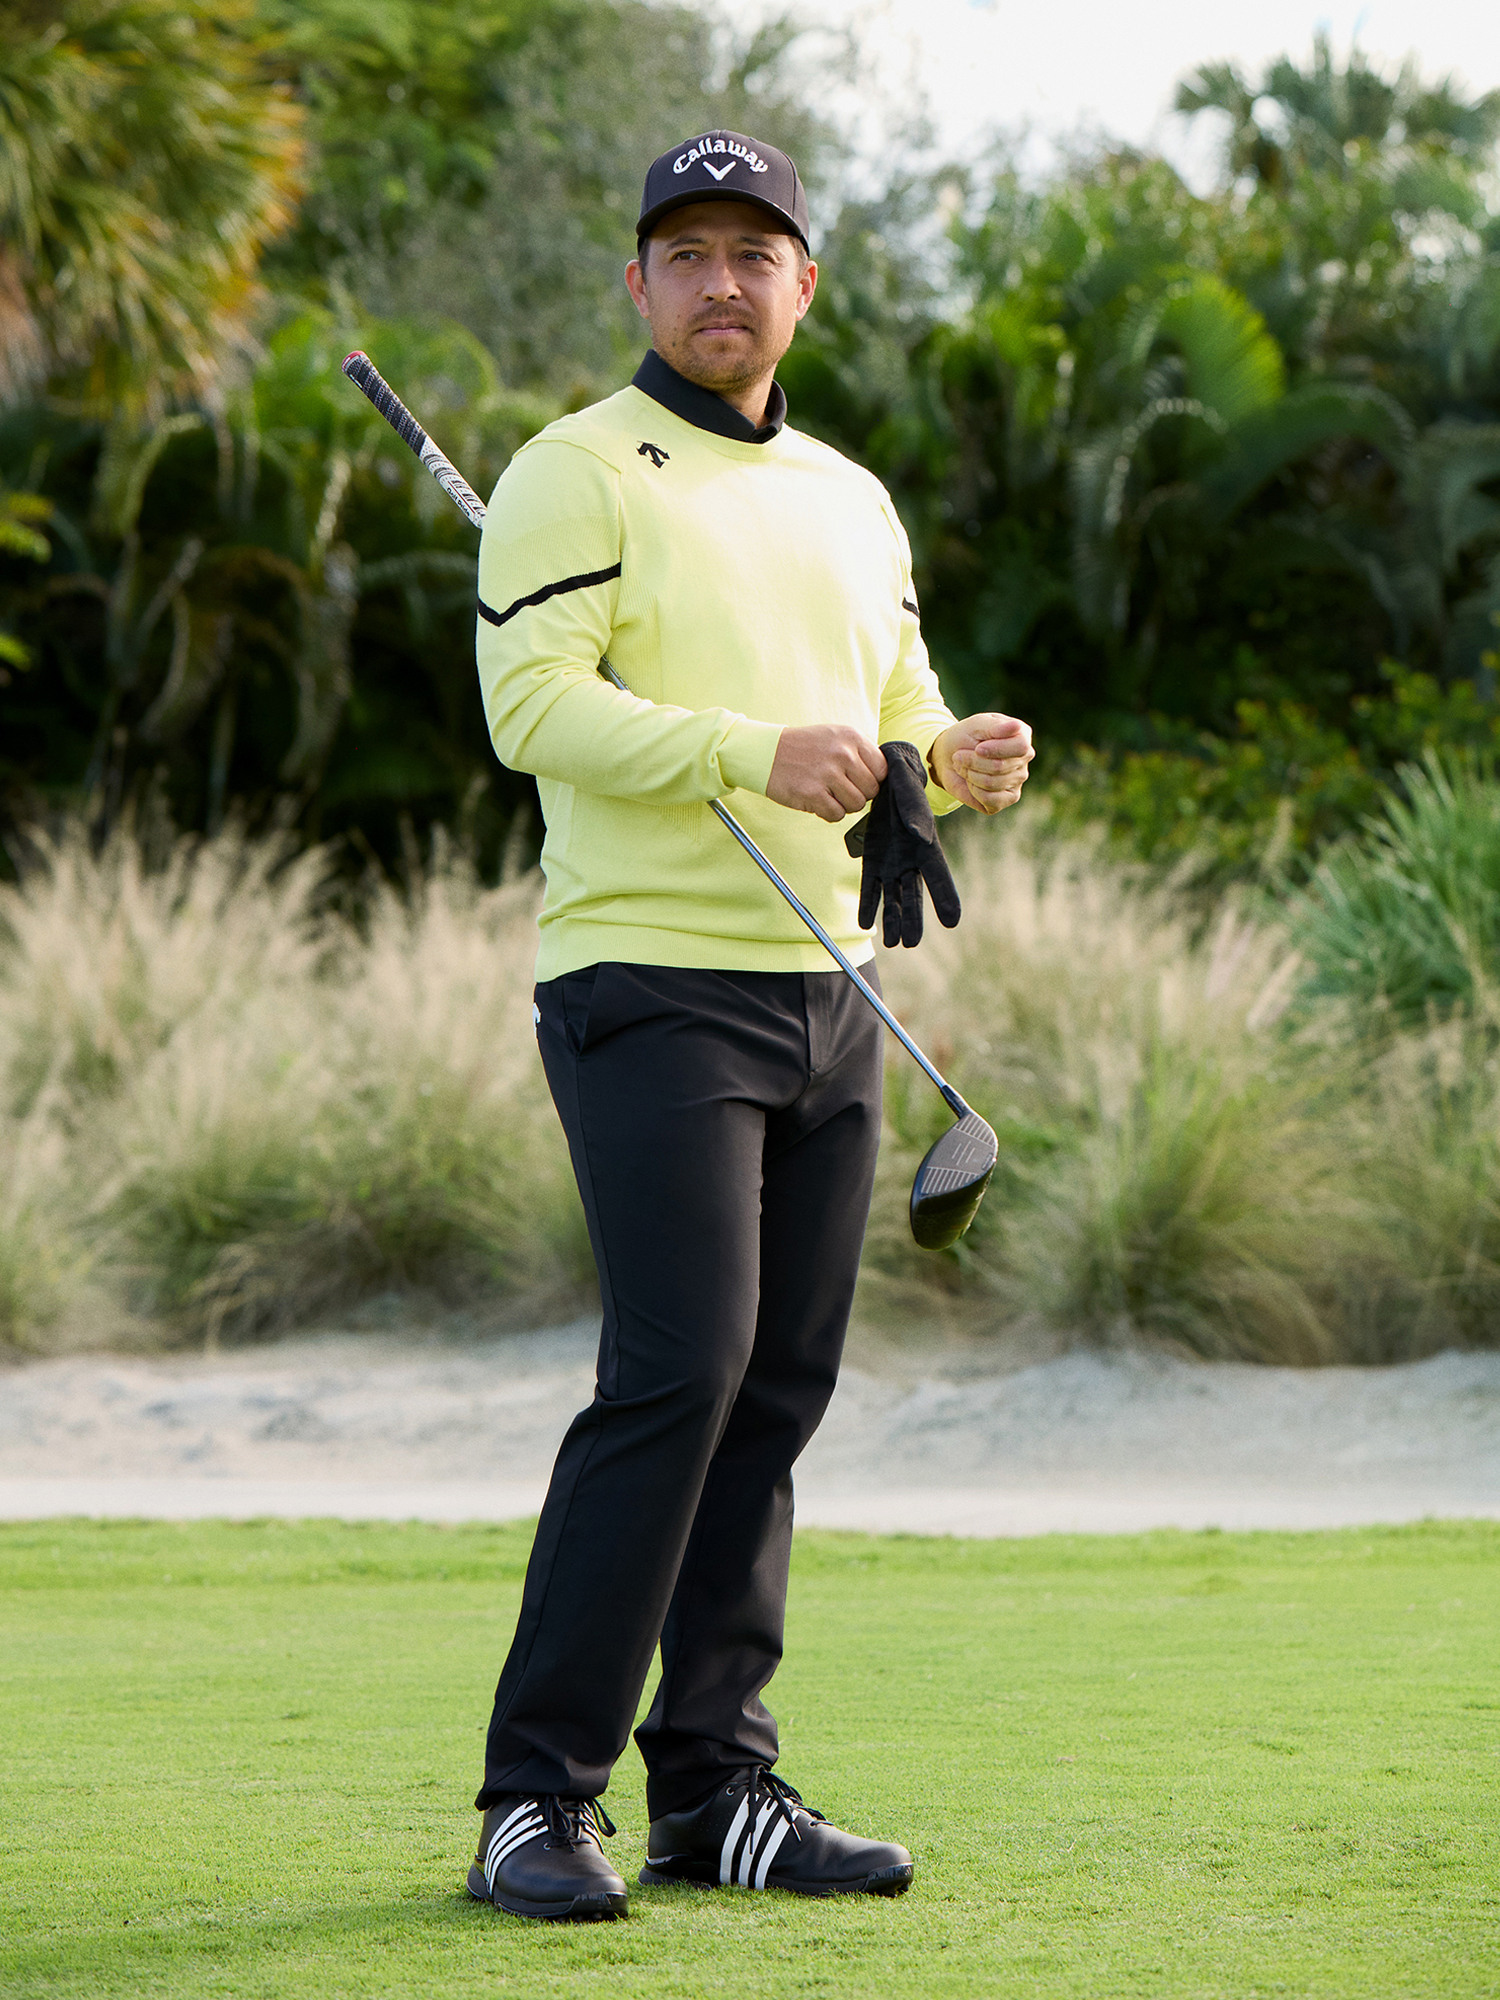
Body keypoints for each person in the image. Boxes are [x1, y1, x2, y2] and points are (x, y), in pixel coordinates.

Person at [466, 128, 1034, 1922]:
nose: (724, 281)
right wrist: (746, 749)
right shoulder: (575, 470)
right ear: (638, 282)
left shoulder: (854, 499)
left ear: (805, 285)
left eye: (755, 252)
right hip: (646, 978)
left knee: (778, 1387)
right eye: (689, 253)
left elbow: (895, 703)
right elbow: (529, 706)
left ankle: (716, 1789)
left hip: (833, 991)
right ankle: (534, 1799)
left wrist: (955, 758)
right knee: (682, 1370)